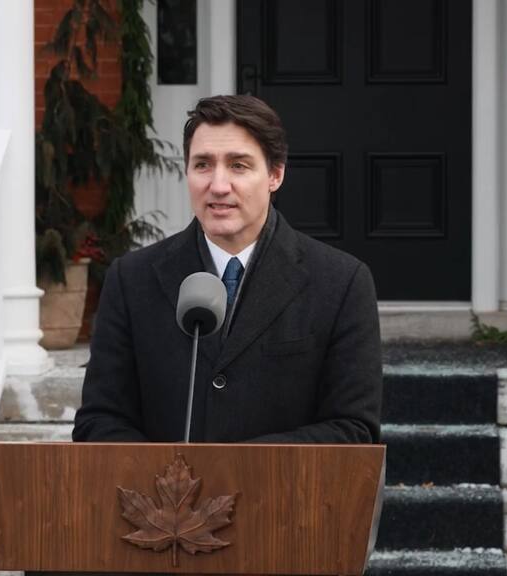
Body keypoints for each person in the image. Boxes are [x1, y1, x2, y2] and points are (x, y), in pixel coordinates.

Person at [73, 95, 381, 444]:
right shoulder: (131, 280)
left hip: (286, 496)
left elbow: (353, 430)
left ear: (275, 174)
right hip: (165, 497)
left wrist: (231, 471)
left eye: (239, 165)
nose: (218, 186)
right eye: (203, 164)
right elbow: (99, 421)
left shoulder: (341, 283)